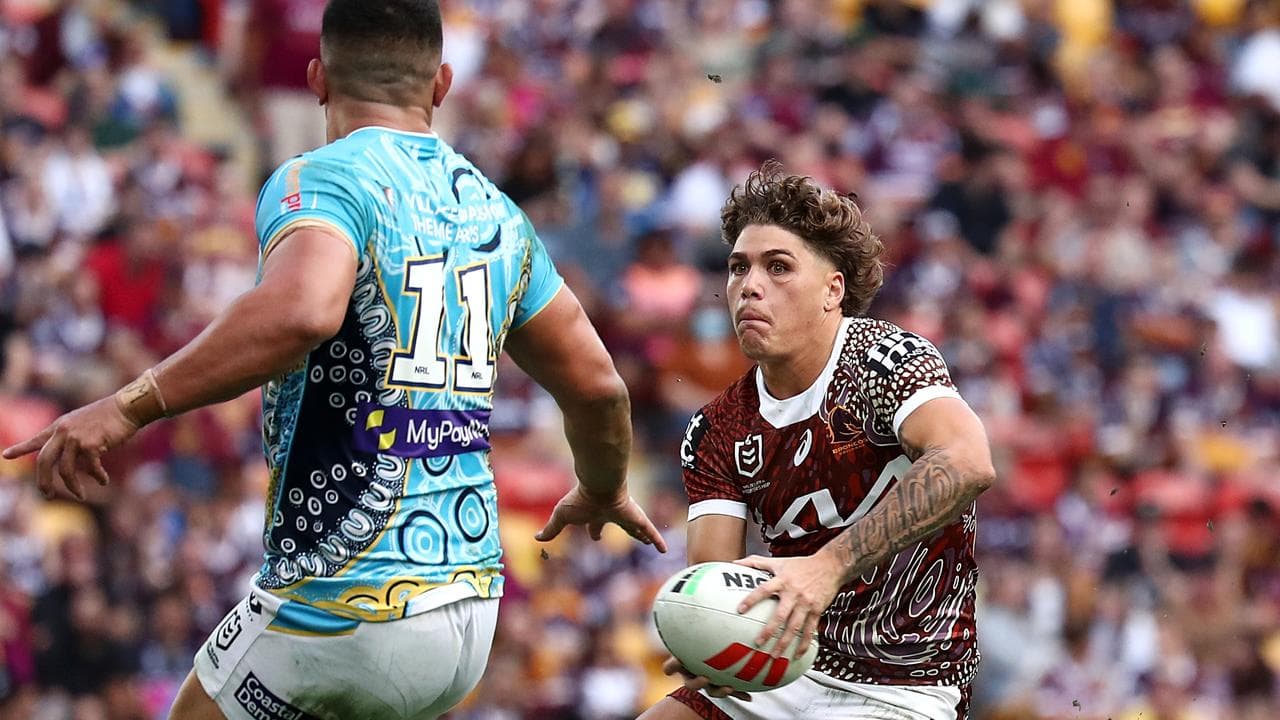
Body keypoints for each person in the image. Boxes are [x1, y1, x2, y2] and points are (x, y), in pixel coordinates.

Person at [2, 1, 668, 718]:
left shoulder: (322, 179)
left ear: (318, 78)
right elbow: (600, 388)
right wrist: (602, 486)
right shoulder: (498, 214)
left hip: (348, 601)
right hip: (470, 612)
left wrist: (127, 404)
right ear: (441, 84)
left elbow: (303, 311)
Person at [639, 162, 996, 720]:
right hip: (781, 668)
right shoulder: (715, 429)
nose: (749, 286)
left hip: (904, 682)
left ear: (833, 290)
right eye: (738, 268)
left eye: (777, 267)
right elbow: (713, 575)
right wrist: (705, 640)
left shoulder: (884, 360)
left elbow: (968, 461)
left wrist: (827, 566)